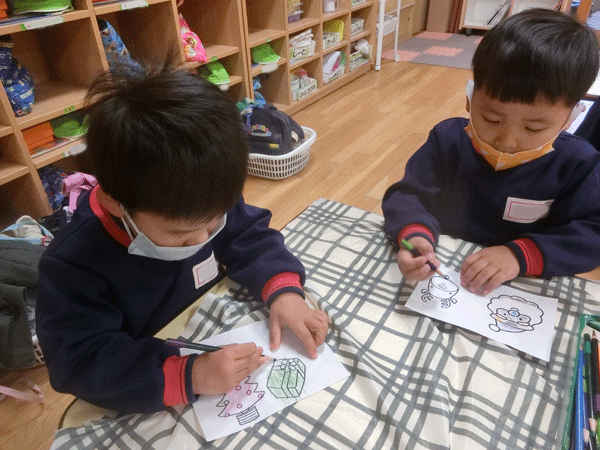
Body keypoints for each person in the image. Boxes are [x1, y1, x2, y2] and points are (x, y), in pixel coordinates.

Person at [36, 62, 329, 414]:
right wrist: (189, 376)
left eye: (214, 223)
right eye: (183, 235)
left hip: (207, 324)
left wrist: (284, 291)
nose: (204, 238)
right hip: (147, 382)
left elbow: (249, 233)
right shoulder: (71, 266)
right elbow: (80, 362)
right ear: (116, 203)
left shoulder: (200, 198)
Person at [382, 9, 600, 297]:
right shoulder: (448, 140)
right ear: (469, 99)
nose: (507, 140)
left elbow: (594, 233)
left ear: (571, 118)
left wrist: (520, 255)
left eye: (534, 128)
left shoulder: (578, 163)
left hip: (522, 283)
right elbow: (408, 194)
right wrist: (414, 233)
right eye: (492, 119)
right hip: (445, 267)